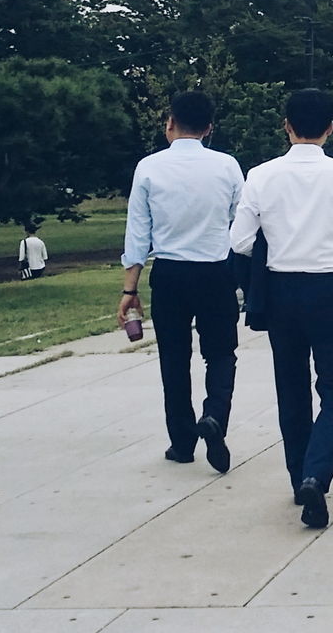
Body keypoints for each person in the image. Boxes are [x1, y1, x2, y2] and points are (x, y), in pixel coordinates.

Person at [231, 88, 333, 529]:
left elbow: (239, 241)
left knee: (290, 388)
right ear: (331, 127)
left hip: (281, 289)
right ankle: (318, 470)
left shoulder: (259, 176)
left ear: (287, 126)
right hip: (330, 286)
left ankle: (300, 477)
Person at [120, 91, 244, 473]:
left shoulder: (149, 167)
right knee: (221, 353)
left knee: (174, 360)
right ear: (209, 128)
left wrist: (129, 289)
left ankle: (182, 442)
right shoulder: (227, 166)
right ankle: (214, 416)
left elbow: (138, 233)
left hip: (170, 273)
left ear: (169, 123)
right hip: (215, 270)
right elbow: (241, 227)